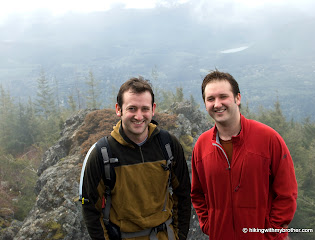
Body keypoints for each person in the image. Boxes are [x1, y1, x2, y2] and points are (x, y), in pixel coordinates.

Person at [190, 70, 298, 240]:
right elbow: (197, 194)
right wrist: (209, 225)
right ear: (205, 104)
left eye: (223, 96)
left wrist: (270, 232)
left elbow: (287, 193)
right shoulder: (202, 146)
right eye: (211, 99)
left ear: (237, 98)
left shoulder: (268, 139)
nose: (217, 104)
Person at [81, 77, 191, 240]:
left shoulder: (168, 145)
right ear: (119, 109)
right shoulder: (102, 154)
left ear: (153, 109)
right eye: (132, 108)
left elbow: (183, 194)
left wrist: (179, 236)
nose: (139, 116)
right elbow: (91, 208)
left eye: (144, 109)